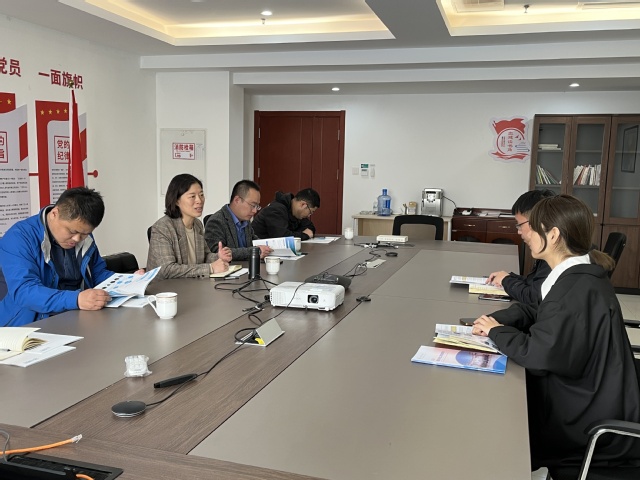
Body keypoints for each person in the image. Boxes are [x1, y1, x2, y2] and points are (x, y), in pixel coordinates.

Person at [472, 195, 640, 472]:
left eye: (531, 228)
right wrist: (496, 321)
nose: (525, 234)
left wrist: (497, 332)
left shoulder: (571, 290)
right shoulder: (578, 274)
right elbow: (538, 308)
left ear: (553, 235)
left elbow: (538, 355)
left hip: (584, 422)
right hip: (600, 393)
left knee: (498, 421)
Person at [0, 187, 115, 327]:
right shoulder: (19, 238)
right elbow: (24, 292)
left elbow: (97, 274)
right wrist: (76, 299)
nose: (77, 238)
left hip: (76, 316)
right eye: (72, 231)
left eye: (84, 233)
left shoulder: (82, 235)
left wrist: (130, 281)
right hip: (30, 323)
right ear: (54, 213)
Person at [147, 174, 232, 280]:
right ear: (177, 200)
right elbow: (167, 270)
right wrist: (210, 268)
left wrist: (218, 256)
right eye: (192, 196)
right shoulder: (163, 227)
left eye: (201, 195)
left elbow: (204, 256)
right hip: (166, 288)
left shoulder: (197, 224)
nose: (199, 200)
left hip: (191, 285)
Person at [486, 189, 555, 305]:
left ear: (537, 222)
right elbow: (534, 283)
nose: (519, 231)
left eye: (520, 225)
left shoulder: (554, 259)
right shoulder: (547, 254)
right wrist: (508, 277)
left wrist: (506, 280)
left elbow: (533, 297)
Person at [204, 180, 272, 260]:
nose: (255, 211)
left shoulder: (245, 220)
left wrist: (268, 247)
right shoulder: (216, 222)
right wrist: (255, 251)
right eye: (253, 205)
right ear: (237, 200)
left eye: (257, 206)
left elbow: (253, 240)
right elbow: (219, 253)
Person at [252, 188, 320, 240]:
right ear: (303, 204)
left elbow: (310, 227)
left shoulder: (296, 213)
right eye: (310, 212)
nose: (309, 215)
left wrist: (294, 234)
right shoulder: (276, 210)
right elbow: (282, 237)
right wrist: (304, 235)